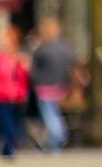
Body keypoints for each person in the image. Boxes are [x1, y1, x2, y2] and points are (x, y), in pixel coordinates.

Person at [27, 19, 74, 151]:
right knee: (55, 112)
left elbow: (33, 71)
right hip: (60, 85)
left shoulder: (42, 49)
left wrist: (34, 81)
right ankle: (55, 144)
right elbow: (71, 66)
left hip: (43, 86)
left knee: (49, 114)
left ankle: (59, 136)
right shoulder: (65, 48)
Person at [0, 25, 29, 158]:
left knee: (15, 123)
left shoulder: (20, 60)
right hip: (3, 96)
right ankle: (10, 148)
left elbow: (24, 78)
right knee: (8, 124)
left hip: (17, 96)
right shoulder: (1, 60)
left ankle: (7, 148)